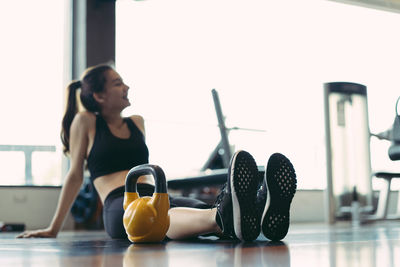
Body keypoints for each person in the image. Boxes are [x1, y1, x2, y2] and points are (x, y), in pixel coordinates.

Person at [17, 64, 297, 242]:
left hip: (156, 193)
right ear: (99, 96)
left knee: (196, 209)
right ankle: (224, 217)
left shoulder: (137, 122)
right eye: (117, 83)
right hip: (121, 204)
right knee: (161, 216)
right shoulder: (86, 122)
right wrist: (53, 228)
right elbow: (75, 176)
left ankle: (250, 215)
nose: (126, 86)